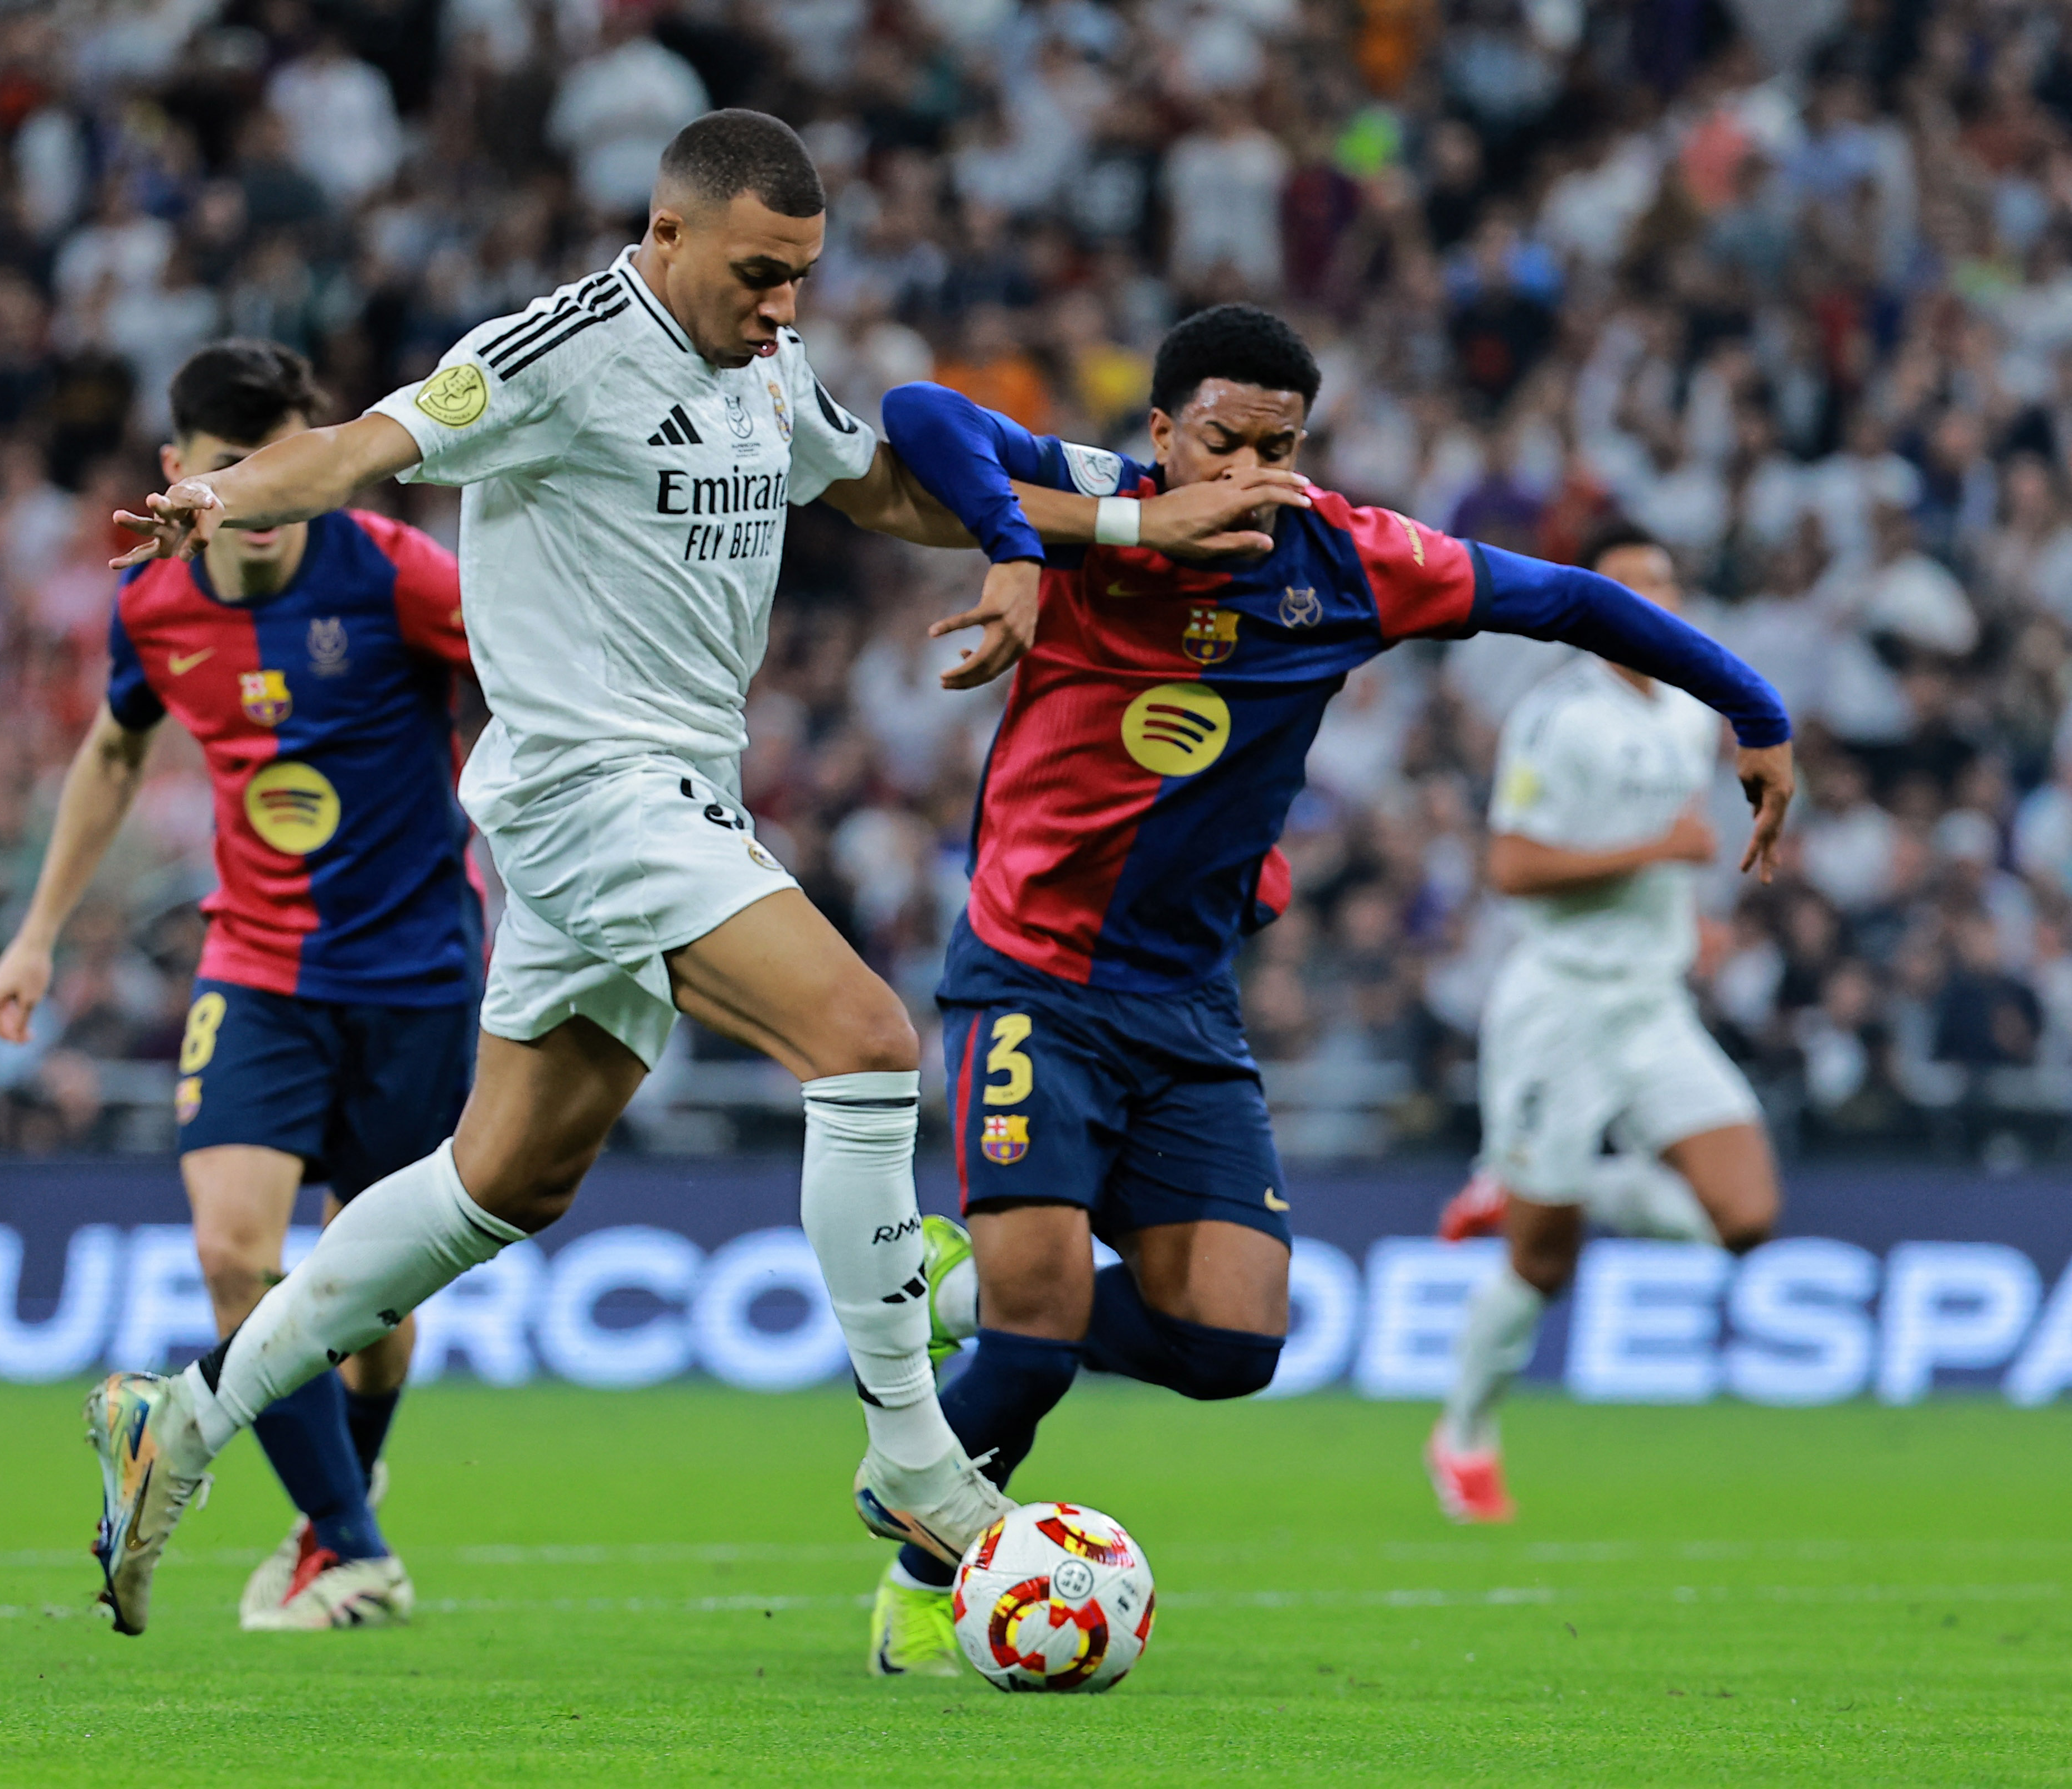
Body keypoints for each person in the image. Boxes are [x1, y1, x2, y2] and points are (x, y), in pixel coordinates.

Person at [71, 109, 1278, 1637]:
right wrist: (224, 499)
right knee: (860, 1043)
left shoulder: (765, 366)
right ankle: (917, 1455)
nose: (783, 306)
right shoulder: (556, 349)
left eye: (801, 278)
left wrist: (1123, 521)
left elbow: (887, 491)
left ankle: (176, 1418)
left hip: (669, 799)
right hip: (591, 792)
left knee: (494, 1185)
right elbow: (364, 445)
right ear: (669, 238)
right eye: (760, 273)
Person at [861, 305, 1795, 1675]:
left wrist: (1753, 710)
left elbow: (1572, 600)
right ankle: (916, 1581)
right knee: (1038, 1338)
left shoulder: (1345, 560)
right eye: (1222, 440)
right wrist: (1038, 544)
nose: (1249, 468)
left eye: (1278, 445)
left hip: (1184, 1008)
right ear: (1164, 431)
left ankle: (953, 1293)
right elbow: (912, 411)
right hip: (1031, 981)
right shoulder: (1095, 503)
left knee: (1230, 1340)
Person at [0, 340, 481, 1629]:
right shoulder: (153, 600)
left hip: (414, 974)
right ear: (173, 471)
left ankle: (335, 1528)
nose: (248, 505)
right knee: (233, 1253)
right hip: (255, 964)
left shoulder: (396, 572)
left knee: (373, 1310)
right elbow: (109, 751)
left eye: (275, 472)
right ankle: (356, 1544)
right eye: (222, 475)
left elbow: (532, 679)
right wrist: (37, 931)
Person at [1427, 520, 1784, 1523]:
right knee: (1543, 1265)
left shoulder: (1683, 711)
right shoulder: (1557, 719)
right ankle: (1462, 1436)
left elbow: (1673, 856)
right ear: (1593, 612)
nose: (1653, 603)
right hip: (1562, 1005)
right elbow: (1513, 867)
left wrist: (1691, 920)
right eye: (1629, 589)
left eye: (1664, 582)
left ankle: (1550, 1181)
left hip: (1653, 1001)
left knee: (1747, 1217)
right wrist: (1654, 853)